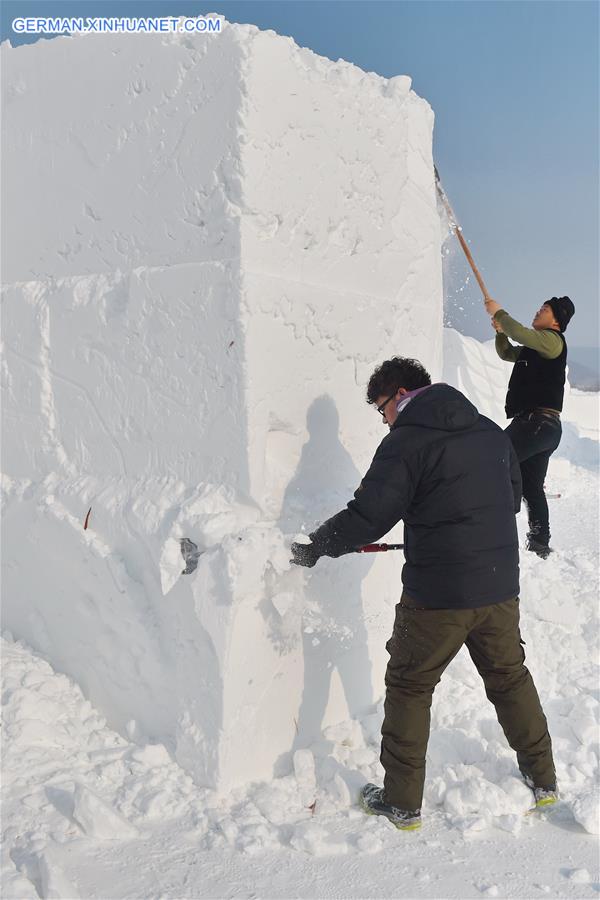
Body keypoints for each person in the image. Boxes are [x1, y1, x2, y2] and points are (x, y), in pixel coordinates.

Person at [291, 357, 557, 830]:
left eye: (381, 409)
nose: (385, 419)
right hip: (499, 585)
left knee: (411, 686)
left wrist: (316, 546)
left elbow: (368, 515)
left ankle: (401, 802)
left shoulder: (407, 440)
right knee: (510, 678)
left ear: (397, 395)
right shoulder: (490, 431)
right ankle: (544, 781)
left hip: (439, 594)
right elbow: (511, 493)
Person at [485, 296, 575, 559]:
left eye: (544, 309)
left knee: (491, 460)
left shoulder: (552, 341)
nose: (537, 311)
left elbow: (520, 333)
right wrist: (501, 334)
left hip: (536, 424)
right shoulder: (534, 348)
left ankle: (492, 529)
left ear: (556, 320)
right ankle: (539, 543)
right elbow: (506, 352)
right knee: (531, 487)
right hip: (544, 429)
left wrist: (499, 313)